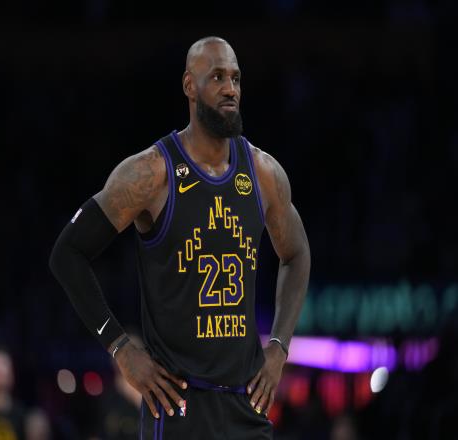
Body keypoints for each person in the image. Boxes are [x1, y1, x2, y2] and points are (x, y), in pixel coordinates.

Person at [49, 35, 311, 439]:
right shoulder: (152, 172)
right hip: (176, 406)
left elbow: (297, 253)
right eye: (218, 77)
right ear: (190, 85)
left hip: (245, 405)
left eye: (236, 78)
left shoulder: (263, 173)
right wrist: (120, 348)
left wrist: (279, 346)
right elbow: (67, 253)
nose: (230, 89)